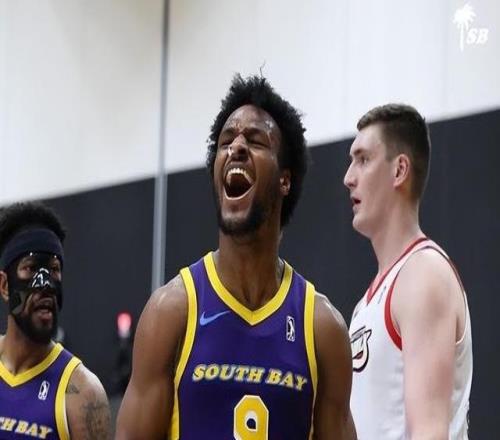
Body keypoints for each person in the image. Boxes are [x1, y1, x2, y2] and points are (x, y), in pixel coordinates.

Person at [116, 74, 356, 439]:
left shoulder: (322, 329)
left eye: (255, 141)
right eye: (226, 141)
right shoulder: (171, 312)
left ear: (285, 180)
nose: (236, 148)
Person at [344, 104, 472, 439]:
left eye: (363, 159)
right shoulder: (365, 305)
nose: (348, 178)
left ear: (399, 170)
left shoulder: (423, 274)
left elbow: (429, 432)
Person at [0, 202, 111, 439]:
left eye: (54, 270)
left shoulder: (83, 393)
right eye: (31, 269)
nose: (46, 284)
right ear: (5, 286)